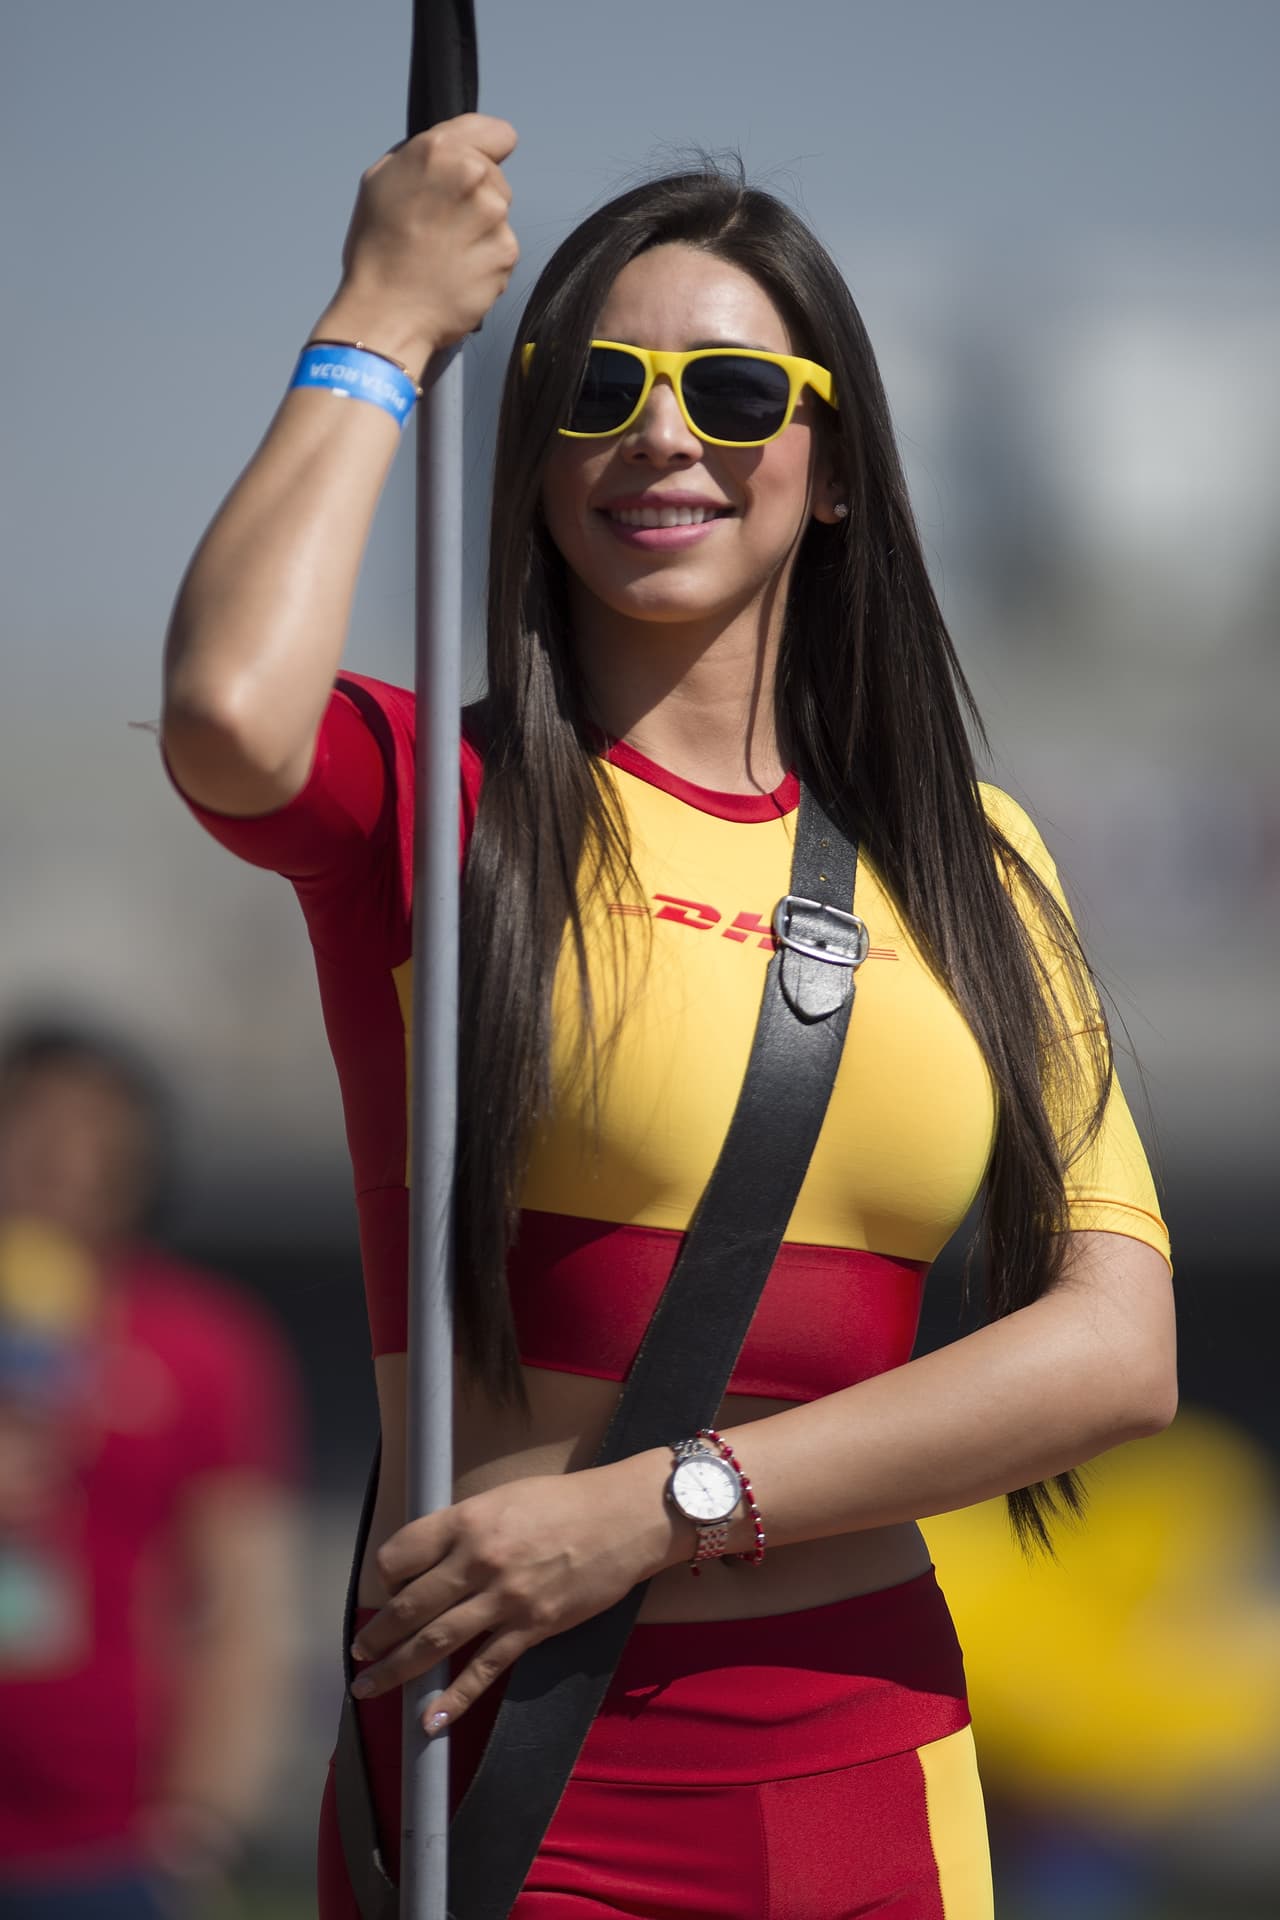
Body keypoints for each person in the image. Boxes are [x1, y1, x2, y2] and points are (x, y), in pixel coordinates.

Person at [160, 115, 1176, 1919]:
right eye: (599, 389)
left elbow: (1117, 1351)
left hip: (880, 1764)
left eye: (733, 390)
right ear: (537, 453)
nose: (660, 435)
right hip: (515, 1776)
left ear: (832, 465)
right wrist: (380, 320)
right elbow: (229, 714)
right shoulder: (433, 804)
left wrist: (660, 1506)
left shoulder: (976, 858)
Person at [0, 1023, 302, 1919]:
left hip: (114, 1841)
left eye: (95, 1134)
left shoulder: (200, 1341)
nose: (62, 1162)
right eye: (34, 1127)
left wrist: (205, 1815)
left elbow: (242, 1596)